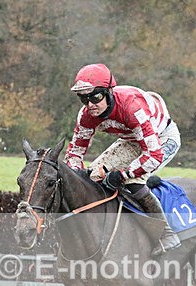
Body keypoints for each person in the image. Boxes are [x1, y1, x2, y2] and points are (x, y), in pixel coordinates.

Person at [65, 63, 182, 256]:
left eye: (95, 97)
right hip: (131, 140)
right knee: (91, 177)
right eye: (84, 98)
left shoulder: (131, 107)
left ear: (109, 92)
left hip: (162, 138)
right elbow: (75, 153)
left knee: (133, 181)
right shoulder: (86, 115)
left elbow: (154, 155)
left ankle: (166, 233)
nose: (90, 104)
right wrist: (77, 174)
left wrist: (122, 175)